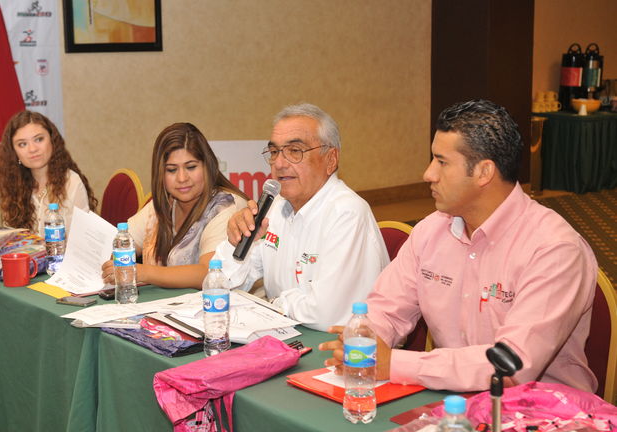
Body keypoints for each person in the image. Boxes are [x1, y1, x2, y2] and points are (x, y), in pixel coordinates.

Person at [320, 99, 598, 393]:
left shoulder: (554, 249)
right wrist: (365, 338)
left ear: (484, 172)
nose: (428, 174)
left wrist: (394, 364)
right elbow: (387, 310)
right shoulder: (431, 231)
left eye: (441, 162)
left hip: (541, 409)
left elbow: (511, 365)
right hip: (452, 399)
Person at [213, 103, 389, 331]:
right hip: (288, 335)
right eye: (274, 152)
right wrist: (235, 243)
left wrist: (274, 305)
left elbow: (325, 315)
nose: (279, 163)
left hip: (340, 345)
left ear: (331, 159)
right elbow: (221, 284)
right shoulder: (275, 205)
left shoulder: (347, 212)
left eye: (295, 151)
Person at [101, 122, 247, 289]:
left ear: (208, 166)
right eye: (171, 170)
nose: (182, 178)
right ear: (160, 173)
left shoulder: (226, 206)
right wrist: (113, 263)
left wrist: (141, 272)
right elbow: (122, 241)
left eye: (191, 167)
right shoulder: (165, 203)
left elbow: (210, 273)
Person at [0, 110, 97, 235]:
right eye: (22, 144)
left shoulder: (71, 182)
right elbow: (11, 237)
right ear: (14, 152)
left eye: (39, 139)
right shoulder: (12, 185)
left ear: (52, 141)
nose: (32, 149)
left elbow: (83, 238)